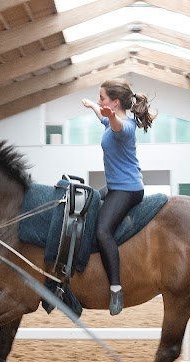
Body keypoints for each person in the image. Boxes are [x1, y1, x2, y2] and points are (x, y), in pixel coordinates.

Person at [82, 79, 155, 315]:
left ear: (114, 103)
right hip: (115, 186)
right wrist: (93, 107)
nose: (99, 100)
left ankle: (115, 288)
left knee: (103, 231)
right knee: (89, 200)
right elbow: (105, 119)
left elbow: (116, 125)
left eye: (102, 97)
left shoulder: (126, 127)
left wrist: (110, 116)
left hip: (128, 190)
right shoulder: (109, 119)